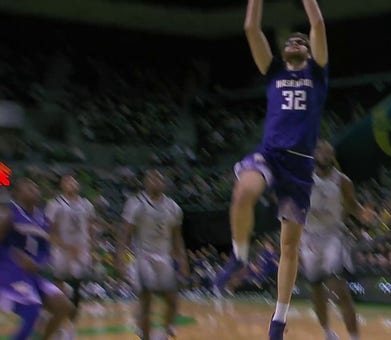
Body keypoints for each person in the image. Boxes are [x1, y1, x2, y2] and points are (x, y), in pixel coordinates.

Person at [214, 0, 329, 338]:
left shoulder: (317, 74)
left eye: (301, 41)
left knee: (289, 246)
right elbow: (251, 28)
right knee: (243, 192)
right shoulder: (275, 71)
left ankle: (278, 320)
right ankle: (239, 255)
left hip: (301, 166)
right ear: (283, 51)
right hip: (270, 154)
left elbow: (318, 24)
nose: (295, 42)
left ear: (308, 52)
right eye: (290, 41)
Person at [300, 140, 364, 340]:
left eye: (329, 152)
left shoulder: (342, 181)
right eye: (321, 151)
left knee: (340, 289)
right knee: (316, 289)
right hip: (308, 237)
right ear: (314, 155)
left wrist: (364, 214)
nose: (326, 155)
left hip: (332, 235)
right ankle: (328, 332)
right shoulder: (302, 178)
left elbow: (353, 206)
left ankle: (355, 337)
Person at [117, 170, 189, 340]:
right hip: (143, 256)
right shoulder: (135, 204)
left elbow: (177, 237)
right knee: (146, 300)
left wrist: (183, 260)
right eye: (152, 178)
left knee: (172, 300)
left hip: (164, 257)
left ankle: (165, 332)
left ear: (164, 183)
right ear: (146, 182)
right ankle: (145, 335)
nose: (156, 181)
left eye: (159, 178)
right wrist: (121, 258)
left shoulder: (173, 207)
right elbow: (125, 234)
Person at [0, 178, 73, 340]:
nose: (34, 189)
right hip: (8, 272)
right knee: (33, 309)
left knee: (64, 306)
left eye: (35, 186)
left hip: (32, 275)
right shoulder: (9, 214)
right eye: (28, 187)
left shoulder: (43, 220)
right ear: (17, 194)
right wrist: (13, 255)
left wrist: (38, 263)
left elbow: (45, 250)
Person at [45, 175, 96, 339]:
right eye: (68, 181)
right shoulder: (55, 204)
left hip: (81, 251)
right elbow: (50, 232)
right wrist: (67, 247)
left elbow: (91, 228)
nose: (72, 183)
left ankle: (71, 327)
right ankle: (58, 325)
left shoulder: (87, 205)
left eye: (74, 181)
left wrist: (92, 249)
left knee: (76, 290)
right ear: (62, 185)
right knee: (58, 290)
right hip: (61, 251)